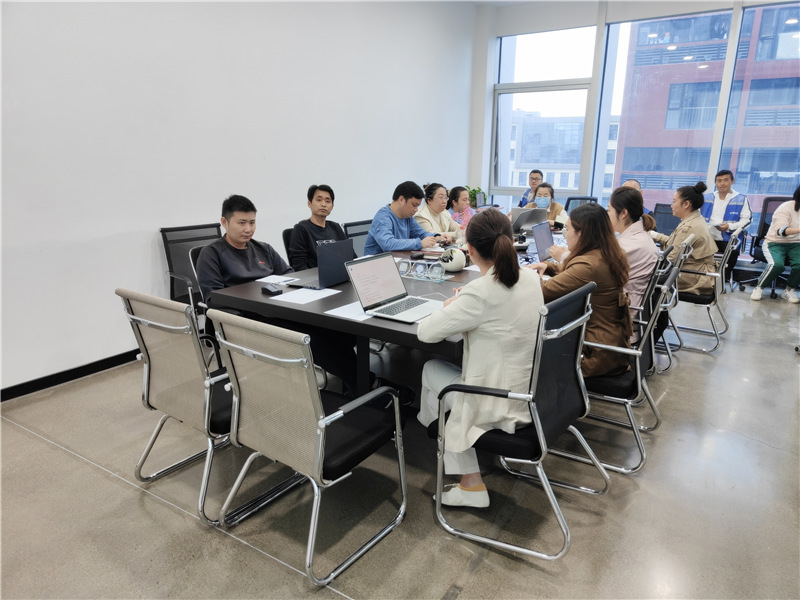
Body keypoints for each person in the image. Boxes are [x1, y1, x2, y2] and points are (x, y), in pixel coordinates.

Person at [197, 195, 406, 400]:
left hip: (278, 309)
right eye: (241, 223)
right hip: (246, 320)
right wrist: (254, 302)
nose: (248, 229)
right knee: (312, 339)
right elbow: (213, 300)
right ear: (224, 222)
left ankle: (359, 386)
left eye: (252, 222)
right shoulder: (211, 254)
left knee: (337, 332)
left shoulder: (263, 249)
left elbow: (290, 276)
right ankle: (369, 386)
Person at [416, 209, 544, 508]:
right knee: (439, 386)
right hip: (533, 393)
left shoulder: (479, 292)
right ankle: (443, 434)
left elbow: (426, 333)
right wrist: (466, 300)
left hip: (499, 402)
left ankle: (469, 481)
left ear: (470, 250)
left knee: (431, 371)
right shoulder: (530, 278)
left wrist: (451, 306)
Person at [530, 203, 632, 378]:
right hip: (608, 345)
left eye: (568, 229)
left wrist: (526, 275)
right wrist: (548, 267)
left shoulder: (589, 265)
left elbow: (543, 292)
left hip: (593, 355)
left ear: (582, 233)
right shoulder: (605, 252)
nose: (565, 234)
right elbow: (575, 273)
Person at [651, 182, 718, 296]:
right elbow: (674, 244)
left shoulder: (689, 227)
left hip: (693, 276)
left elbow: (671, 259)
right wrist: (653, 235)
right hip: (697, 271)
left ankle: (651, 307)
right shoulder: (694, 219)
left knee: (643, 279)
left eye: (674, 201)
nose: (671, 205)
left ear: (686, 204)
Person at [607, 186, 659, 316]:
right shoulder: (638, 237)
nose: (607, 215)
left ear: (623, 213)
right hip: (627, 302)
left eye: (609, 210)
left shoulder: (630, 245)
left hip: (621, 311)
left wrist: (563, 255)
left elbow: (593, 267)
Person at [750, 184, 800, 304]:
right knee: (776, 265)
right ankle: (759, 287)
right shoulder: (786, 207)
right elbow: (781, 231)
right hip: (775, 242)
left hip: (796, 244)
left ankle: (789, 290)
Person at [363, 181, 441, 255]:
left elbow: (421, 234)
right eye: (414, 205)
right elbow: (388, 244)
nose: (416, 210)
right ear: (401, 200)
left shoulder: (407, 217)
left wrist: (435, 237)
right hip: (378, 262)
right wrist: (419, 243)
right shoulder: (383, 217)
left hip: (399, 259)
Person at [701, 169, 751, 278]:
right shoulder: (706, 198)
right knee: (694, 249)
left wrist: (729, 227)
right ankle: (703, 278)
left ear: (732, 181)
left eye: (726, 180)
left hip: (729, 238)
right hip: (709, 237)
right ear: (715, 183)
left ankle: (721, 280)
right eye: (719, 180)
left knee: (732, 253)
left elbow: (747, 220)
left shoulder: (741, 199)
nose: (722, 183)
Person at [287, 184, 348, 271]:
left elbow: (350, 256)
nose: (323, 204)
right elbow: (299, 265)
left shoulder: (336, 227)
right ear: (309, 203)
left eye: (328, 201)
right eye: (319, 200)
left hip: (338, 273)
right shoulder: (301, 229)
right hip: (316, 276)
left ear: (332, 206)